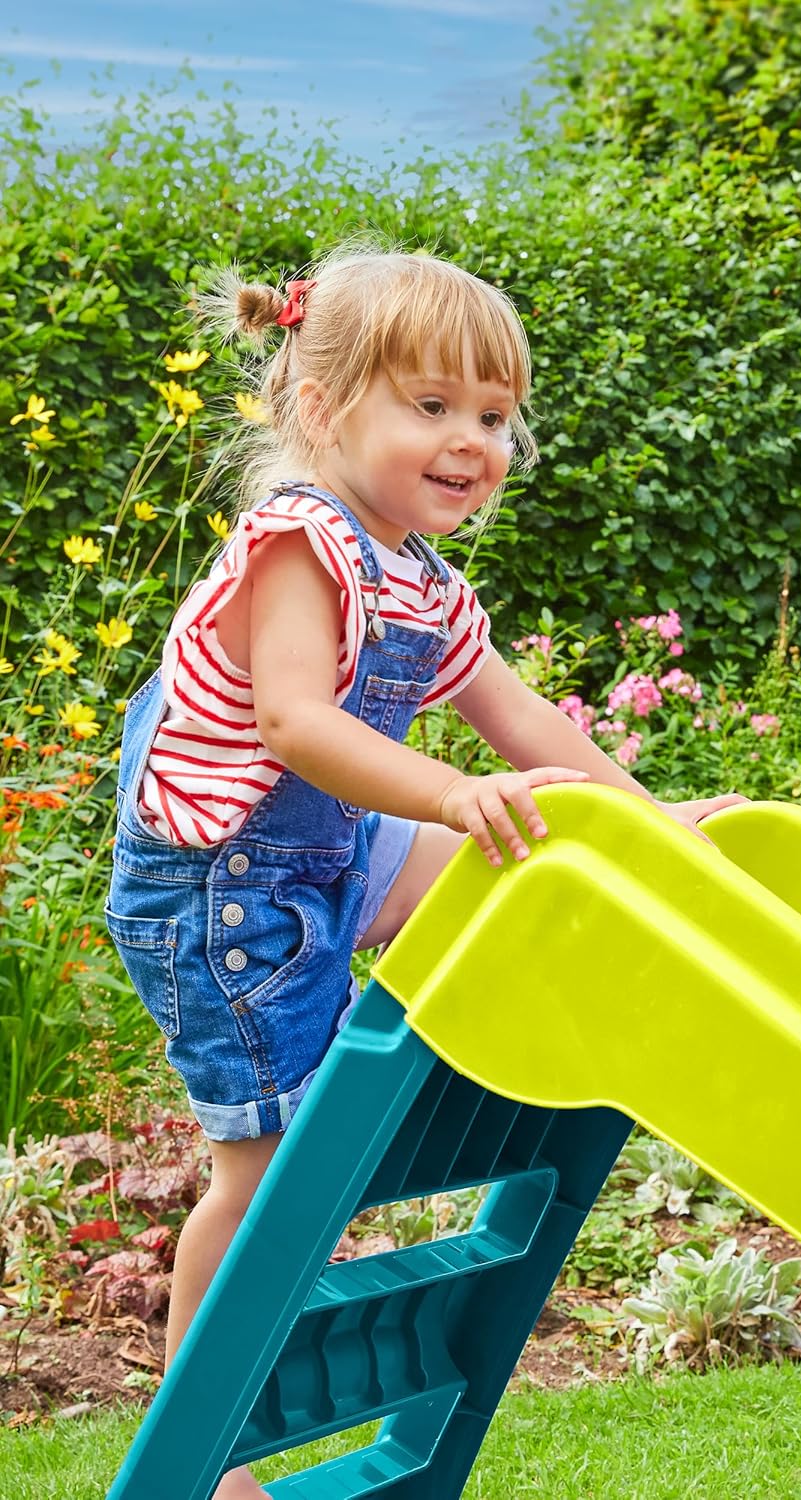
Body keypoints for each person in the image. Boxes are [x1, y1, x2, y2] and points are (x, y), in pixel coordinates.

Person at [104, 243, 742, 1500]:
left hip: (327, 855)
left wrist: (649, 821)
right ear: (323, 407)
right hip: (225, 895)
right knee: (264, 1174)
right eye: (434, 405)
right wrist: (448, 792)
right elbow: (293, 721)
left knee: (535, 867)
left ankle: (516, 1055)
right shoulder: (298, 541)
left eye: (494, 417)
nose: (472, 441)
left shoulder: (424, 582)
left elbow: (526, 723)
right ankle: (204, 1458)